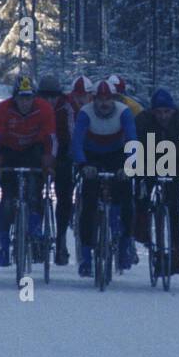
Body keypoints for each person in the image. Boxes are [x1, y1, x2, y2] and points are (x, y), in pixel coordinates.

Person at [72, 80, 139, 277]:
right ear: (93, 99)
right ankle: (85, 255)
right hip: (92, 157)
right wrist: (83, 165)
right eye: (99, 99)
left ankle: (125, 243)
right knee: (89, 203)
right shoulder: (85, 112)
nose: (104, 103)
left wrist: (129, 166)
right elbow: (76, 141)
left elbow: (132, 140)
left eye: (108, 99)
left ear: (114, 99)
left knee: (126, 197)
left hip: (117, 155)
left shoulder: (123, 111)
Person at [0, 76, 56, 267]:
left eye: (29, 97)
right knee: (8, 198)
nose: (25, 102)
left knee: (35, 192)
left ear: (34, 97)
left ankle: (35, 230)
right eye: (21, 97)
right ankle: (3, 243)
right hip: (9, 151)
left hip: (34, 151)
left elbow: (52, 139)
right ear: (14, 97)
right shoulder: (3, 109)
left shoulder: (44, 109)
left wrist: (48, 163)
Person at [132, 88, 179, 274]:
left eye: (166, 112)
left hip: (173, 162)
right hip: (147, 161)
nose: (162, 116)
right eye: (158, 112)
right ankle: (141, 224)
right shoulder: (143, 121)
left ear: (173, 111)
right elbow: (132, 146)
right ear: (152, 112)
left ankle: (176, 250)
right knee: (140, 195)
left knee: (173, 206)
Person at [37, 72, 76, 266]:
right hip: (39, 153)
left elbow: (71, 132)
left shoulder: (66, 106)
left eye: (53, 96)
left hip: (61, 153)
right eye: (45, 96)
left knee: (65, 196)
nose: (50, 100)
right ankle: (34, 233)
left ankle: (61, 239)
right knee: (33, 192)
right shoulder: (34, 106)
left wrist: (69, 157)